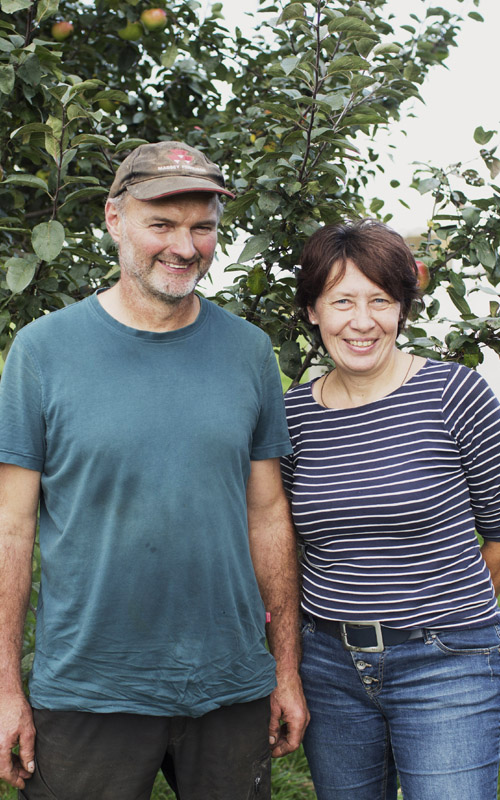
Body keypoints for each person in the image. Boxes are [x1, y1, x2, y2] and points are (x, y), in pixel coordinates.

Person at [0, 140, 308, 800]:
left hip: (229, 686)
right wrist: (4, 688)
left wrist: (285, 671)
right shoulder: (42, 352)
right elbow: (12, 529)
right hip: (89, 687)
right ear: (115, 219)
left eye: (203, 228)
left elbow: (268, 515)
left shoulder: (250, 353)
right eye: (161, 225)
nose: (185, 246)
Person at [281, 219, 500, 800]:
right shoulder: (290, 418)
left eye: (380, 300)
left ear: (402, 309)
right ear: (312, 311)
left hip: (446, 659)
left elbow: (499, 532)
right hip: (327, 664)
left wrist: (468, 627)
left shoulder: (456, 394)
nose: (362, 321)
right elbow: (275, 538)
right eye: (341, 301)